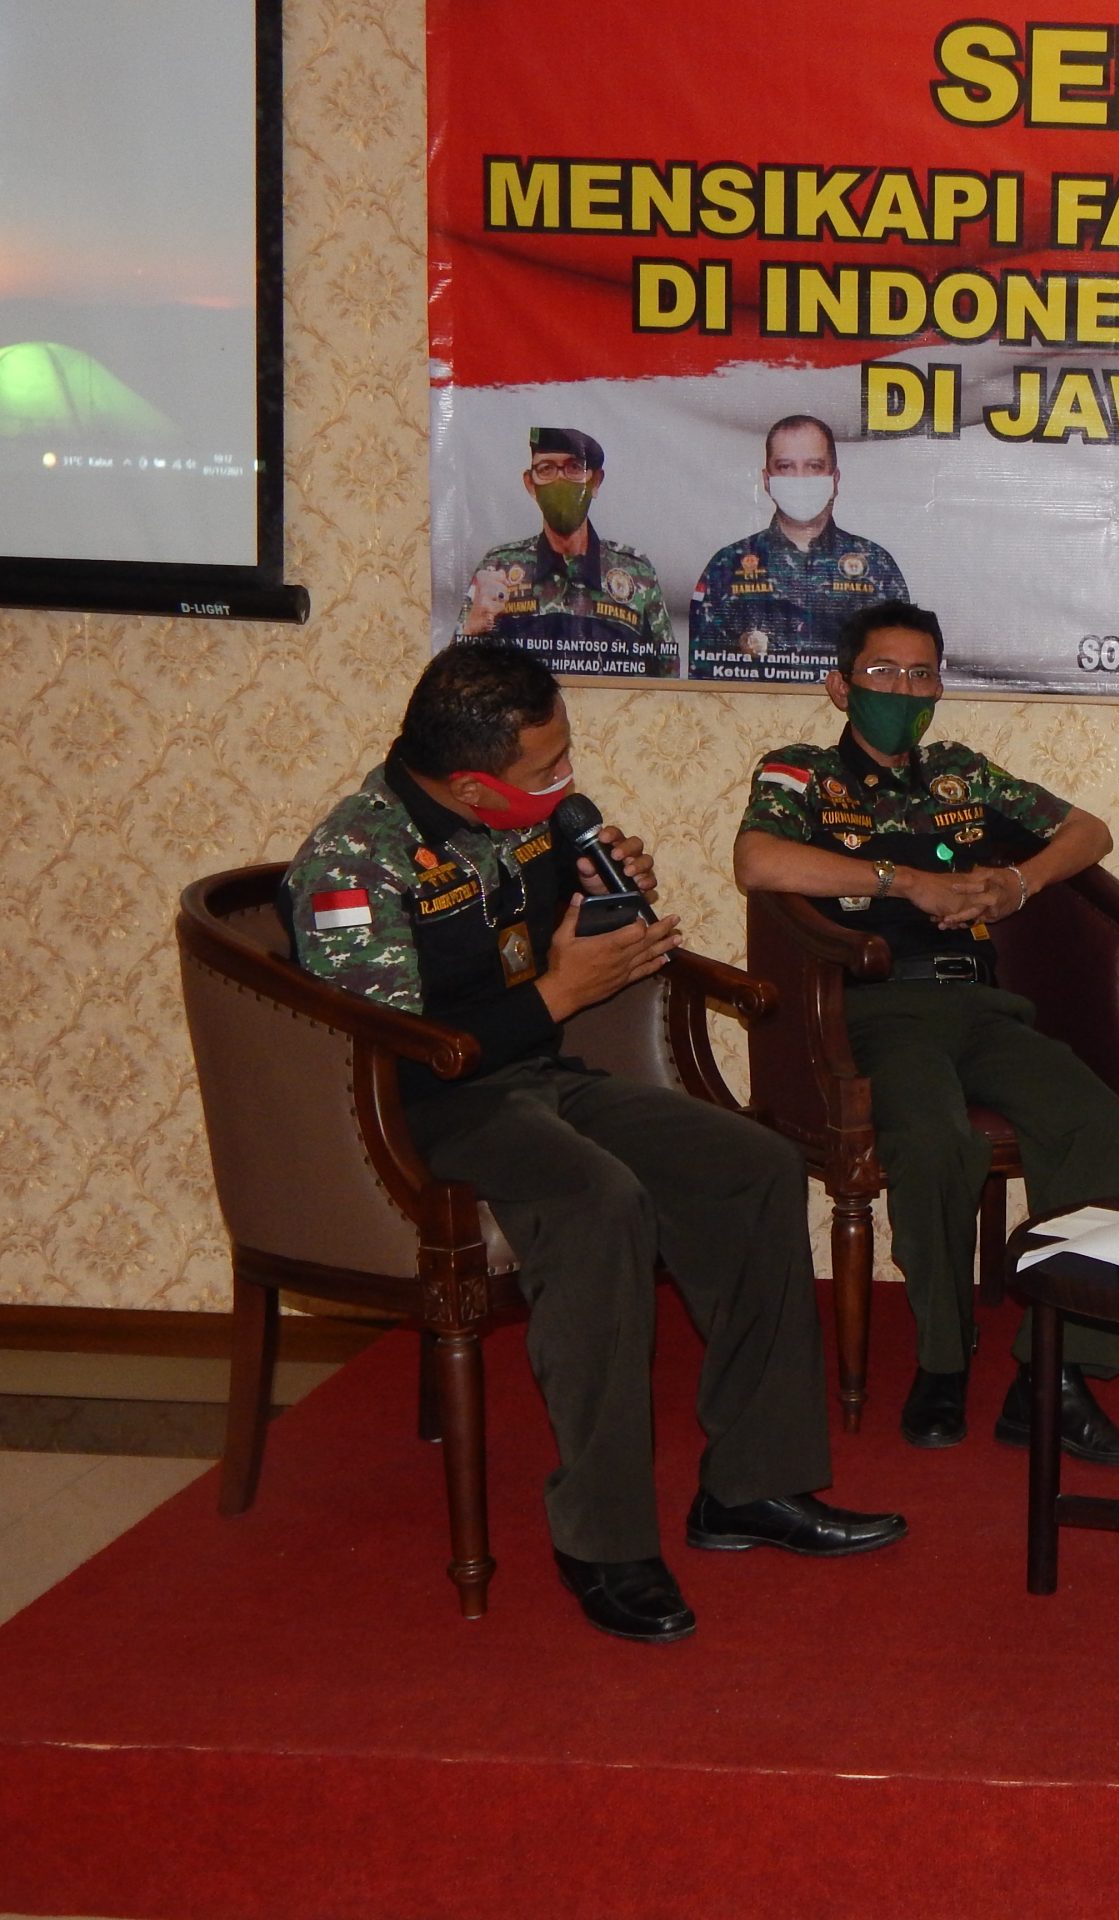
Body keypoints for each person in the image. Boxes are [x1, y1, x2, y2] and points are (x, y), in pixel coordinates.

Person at [282, 642, 902, 1644]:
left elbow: (544, 948)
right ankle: (604, 1541)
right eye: (545, 773)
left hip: (532, 1077)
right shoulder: (353, 865)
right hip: (429, 1109)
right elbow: (385, 1054)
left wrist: (605, 899)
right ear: (472, 783)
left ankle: (753, 1486)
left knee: (754, 1165)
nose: (564, 784)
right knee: (597, 1199)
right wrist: (560, 991)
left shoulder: (517, 825)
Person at [732, 600, 1119, 1467]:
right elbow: (758, 863)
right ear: (840, 684)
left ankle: (1056, 1374)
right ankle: (941, 1360)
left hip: (984, 1008)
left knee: (1097, 1122)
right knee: (932, 1143)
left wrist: (1016, 881)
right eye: (883, 673)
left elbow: (1091, 832)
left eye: (921, 675)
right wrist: (901, 883)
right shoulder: (800, 772)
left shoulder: (962, 774)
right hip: (878, 1009)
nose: (904, 691)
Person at [687, 414, 909, 685]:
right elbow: (704, 683)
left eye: (814, 466)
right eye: (786, 467)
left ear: (835, 479)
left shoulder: (876, 567)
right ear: (767, 480)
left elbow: (897, 675)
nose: (800, 479)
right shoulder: (726, 568)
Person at [458, 428, 676, 678]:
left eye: (574, 467)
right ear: (530, 484)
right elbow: (457, 673)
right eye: (546, 469)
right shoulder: (498, 567)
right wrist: (474, 628)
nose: (559, 481)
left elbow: (667, 675)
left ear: (595, 482)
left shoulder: (636, 574)